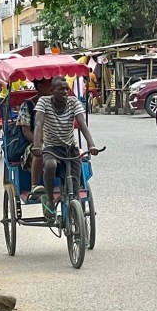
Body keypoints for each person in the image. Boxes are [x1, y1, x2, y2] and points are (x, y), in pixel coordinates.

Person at [32, 77, 100, 216]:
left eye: (66, 88)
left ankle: (76, 220)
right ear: (52, 91)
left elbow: (81, 123)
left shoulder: (73, 101)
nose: (65, 91)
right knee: (50, 165)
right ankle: (50, 198)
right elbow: (38, 123)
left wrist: (91, 144)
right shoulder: (44, 102)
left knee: (75, 189)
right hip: (51, 147)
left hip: (70, 148)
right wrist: (37, 145)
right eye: (61, 89)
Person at [21, 77, 53, 199]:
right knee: (40, 151)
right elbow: (26, 130)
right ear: (40, 87)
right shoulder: (27, 105)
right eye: (50, 85)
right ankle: (35, 186)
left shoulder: (57, 102)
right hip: (35, 144)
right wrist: (38, 143)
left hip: (55, 141)